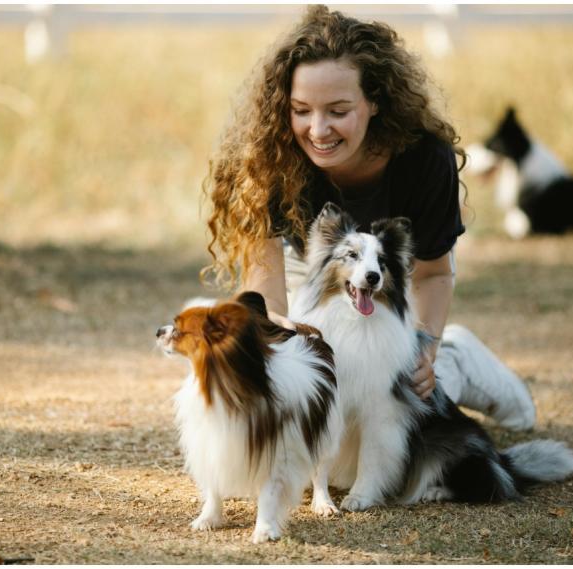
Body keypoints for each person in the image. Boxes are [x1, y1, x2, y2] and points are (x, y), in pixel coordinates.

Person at [202, 5, 535, 430]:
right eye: (301, 110)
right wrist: (275, 334)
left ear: (375, 101)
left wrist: (423, 349)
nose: (318, 130)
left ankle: (458, 358)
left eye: (338, 111)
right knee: (307, 391)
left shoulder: (425, 159)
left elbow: (432, 274)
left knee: (397, 391)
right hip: (311, 268)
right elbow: (264, 283)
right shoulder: (268, 156)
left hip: (393, 283)